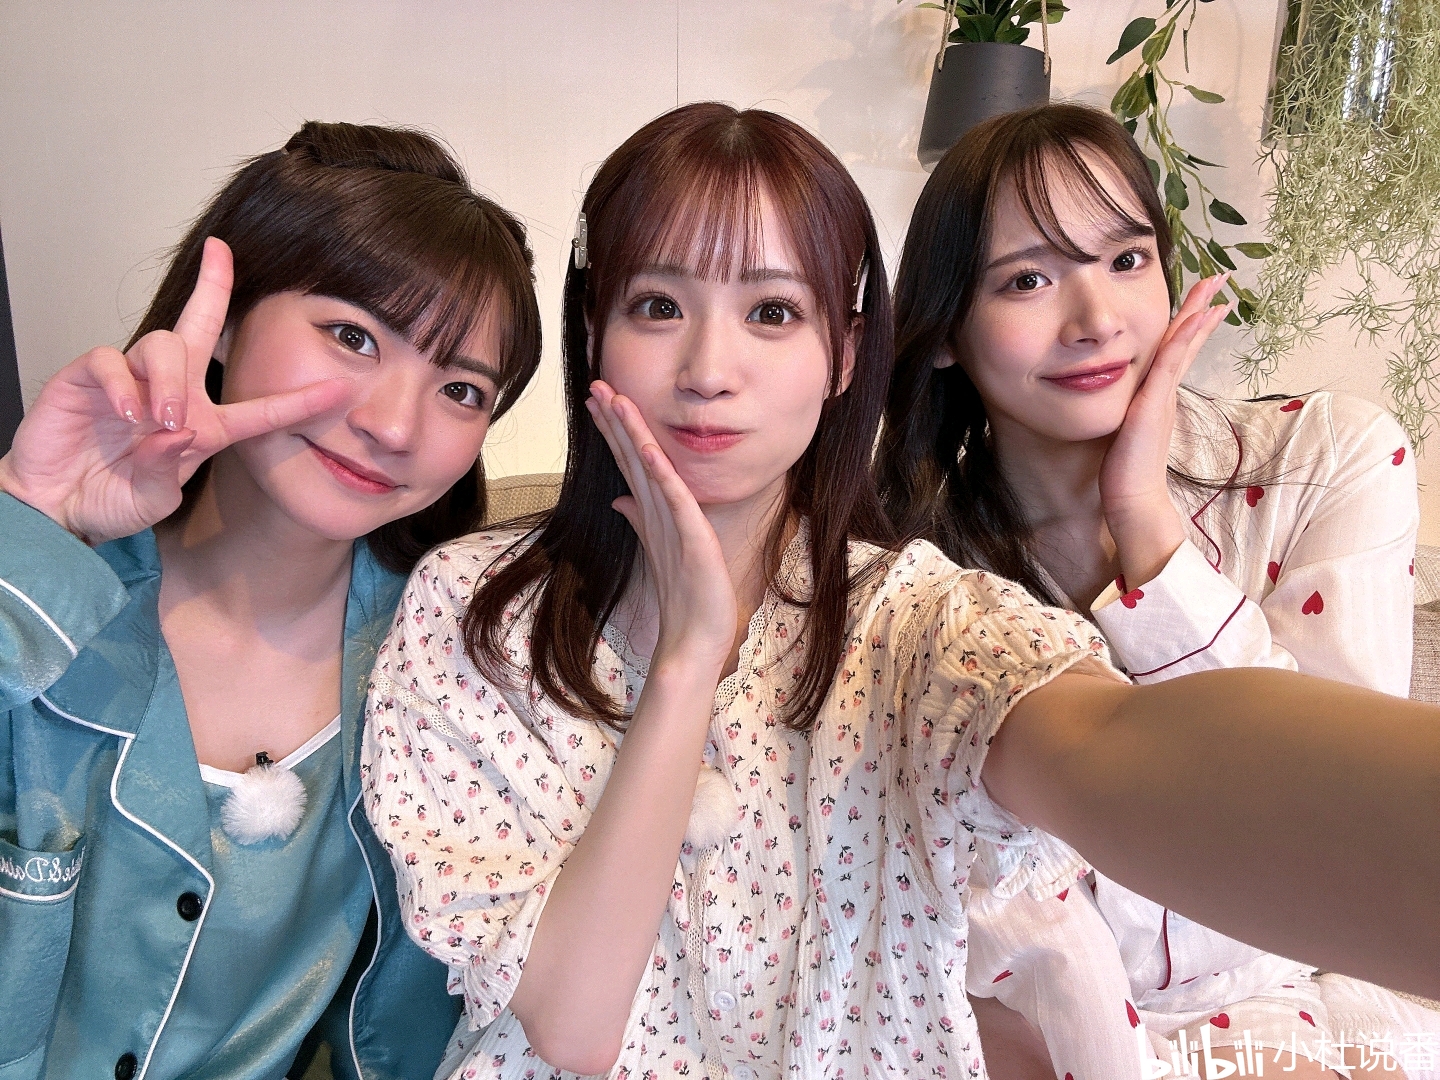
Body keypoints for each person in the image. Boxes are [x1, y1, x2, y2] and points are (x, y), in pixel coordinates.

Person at [362, 102, 1440, 1080]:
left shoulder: (919, 620)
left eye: (771, 312)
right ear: (594, 329)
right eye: (657, 305)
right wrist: (688, 660)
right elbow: (570, 1026)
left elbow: (1118, 753)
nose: (709, 369)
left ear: (845, 355)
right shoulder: (473, 611)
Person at [876, 102, 1437, 1079]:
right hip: (1034, 1038)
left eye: (1127, 259)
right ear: (944, 331)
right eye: (1028, 280)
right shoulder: (905, 571)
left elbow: (1328, 826)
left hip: (1311, 1015)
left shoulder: (1327, 461)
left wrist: (1147, 533)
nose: (1097, 321)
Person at [0, 121, 541, 1080]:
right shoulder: (45, 582)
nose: (394, 425)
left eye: (461, 390)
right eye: (352, 336)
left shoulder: (443, 678)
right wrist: (31, 524)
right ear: (227, 320)